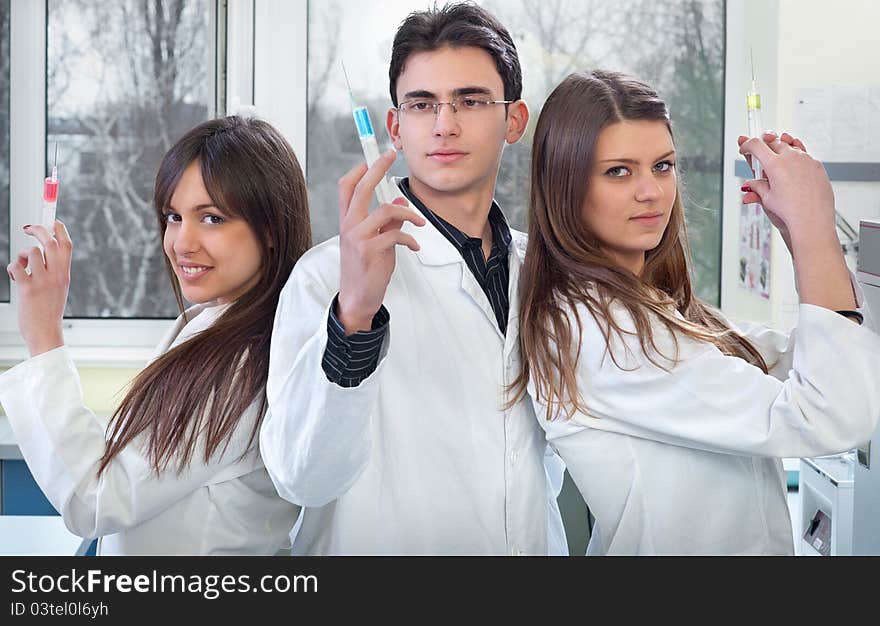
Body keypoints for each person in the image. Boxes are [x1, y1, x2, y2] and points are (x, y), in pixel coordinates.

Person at [513, 69, 880, 555]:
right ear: (565, 185)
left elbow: (806, 366)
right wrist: (815, 228)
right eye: (618, 171)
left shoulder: (654, 309)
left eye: (662, 166)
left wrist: (797, 232)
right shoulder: (599, 332)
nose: (652, 192)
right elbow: (832, 416)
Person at [261, 3, 567, 555]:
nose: (444, 124)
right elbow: (301, 478)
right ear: (395, 127)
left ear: (515, 120)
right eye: (422, 104)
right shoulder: (325, 276)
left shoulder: (543, 271)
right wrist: (353, 317)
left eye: (470, 101)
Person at [0, 116, 309, 555]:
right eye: (174, 216)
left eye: (212, 217)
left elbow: (94, 500)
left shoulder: (242, 365)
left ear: (272, 229)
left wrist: (43, 336)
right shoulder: (214, 327)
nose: (182, 242)